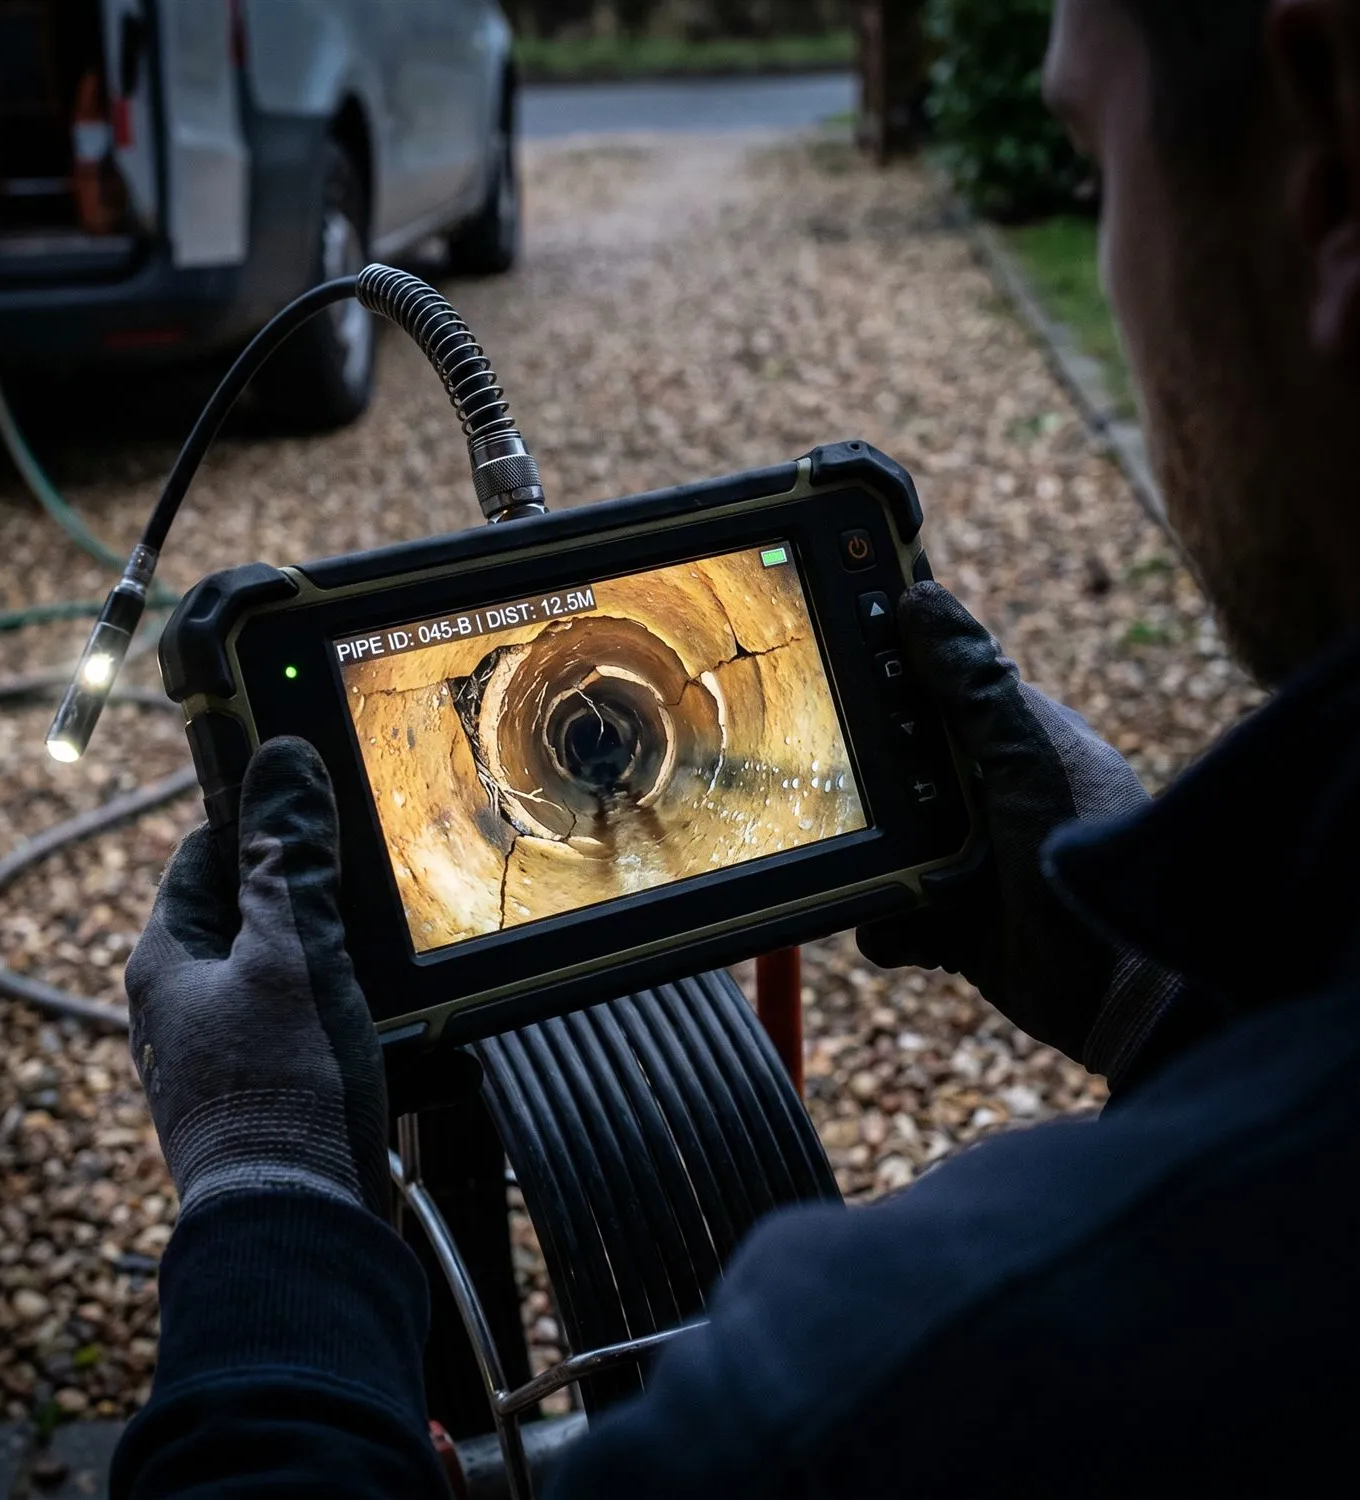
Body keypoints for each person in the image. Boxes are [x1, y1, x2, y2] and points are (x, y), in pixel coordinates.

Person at [109, 0, 1360, 1494]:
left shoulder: (889, 1397)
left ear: (1333, 161)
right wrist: (1162, 994)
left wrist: (266, 1190)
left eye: (1096, 169)